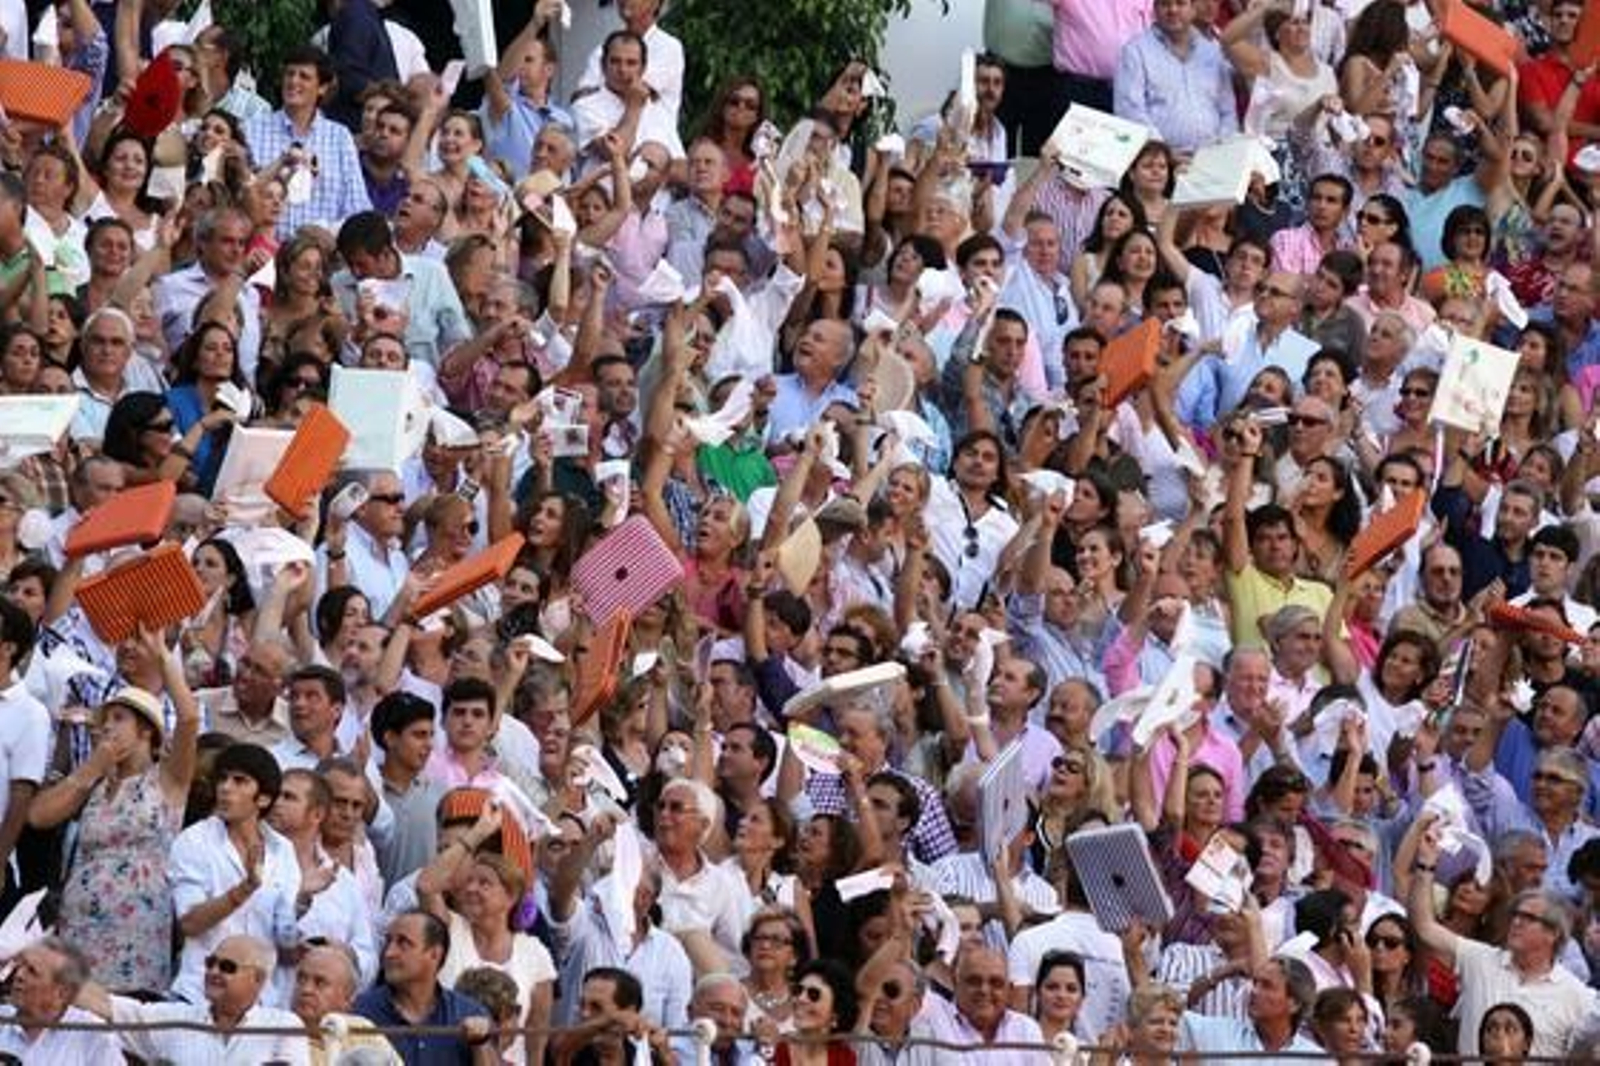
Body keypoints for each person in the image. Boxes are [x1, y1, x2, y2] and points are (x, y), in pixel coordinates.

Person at [75, 934, 310, 1065]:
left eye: (227, 967)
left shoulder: (283, 1026)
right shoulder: (176, 1018)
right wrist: (56, 976)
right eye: (211, 963)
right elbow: (107, 1006)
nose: (214, 971)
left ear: (257, 979)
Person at [354, 909, 497, 1065]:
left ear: (435, 954)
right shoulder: (360, 1013)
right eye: (388, 941)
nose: (389, 953)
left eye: (403, 943)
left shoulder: (468, 1013)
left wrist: (480, 1044)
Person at [0, 936, 122, 1062]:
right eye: (21, 966)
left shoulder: (94, 1037)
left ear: (61, 993)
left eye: (32, 972)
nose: (19, 975)